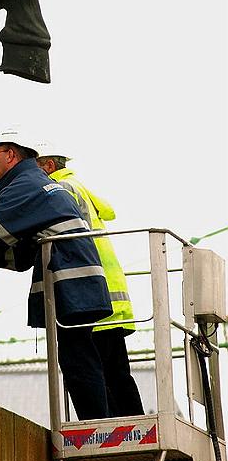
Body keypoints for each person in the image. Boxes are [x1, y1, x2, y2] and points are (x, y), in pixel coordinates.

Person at [0, 128, 113, 420]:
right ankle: (97, 424)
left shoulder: (24, 186)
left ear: (10, 154)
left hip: (72, 283)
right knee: (80, 359)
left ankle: (96, 428)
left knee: (78, 362)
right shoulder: (39, 183)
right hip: (79, 283)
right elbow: (24, 255)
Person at [35, 143, 144, 417]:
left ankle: (112, 432)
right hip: (110, 295)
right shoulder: (80, 188)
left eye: (36, 166)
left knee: (96, 371)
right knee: (116, 372)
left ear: (49, 166)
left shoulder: (63, 190)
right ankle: (133, 428)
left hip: (91, 293)